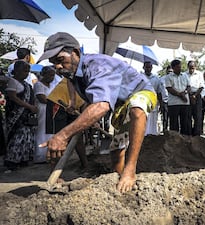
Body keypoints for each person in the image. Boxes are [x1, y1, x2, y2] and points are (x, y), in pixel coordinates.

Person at [37, 32, 156, 193]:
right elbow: (93, 98)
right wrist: (88, 116)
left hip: (141, 92)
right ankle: (118, 179)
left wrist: (63, 135)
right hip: (120, 105)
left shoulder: (98, 65)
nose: (57, 67)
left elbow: (102, 106)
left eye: (60, 60)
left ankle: (130, 170)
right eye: (53, 63)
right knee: (116, 149)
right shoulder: (73, 72)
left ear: (76, 53)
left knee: (137, 108)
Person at [4, 61, 38, 171]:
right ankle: (12, 160)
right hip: (15, 116)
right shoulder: (12, 82)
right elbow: (13, 97)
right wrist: (29, 106)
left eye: (28, 71)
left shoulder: (26, 85)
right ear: (17, 70)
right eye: (25, 71)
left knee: (26, 137)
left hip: (26, 115)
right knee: (16, 138)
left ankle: (23, 158)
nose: (27, 73)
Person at [33, 66, 56, 163]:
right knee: (42, 131)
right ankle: (40, 156)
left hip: (51, 110)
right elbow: (42, 98)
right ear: (44, 75)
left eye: (53, 75)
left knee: (49, 132)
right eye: (50, 75)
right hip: (42, 110)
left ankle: (48, 154)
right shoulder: (39, 84)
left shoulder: (52, 85)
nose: (52, 77)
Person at [164, 59, 191, 135]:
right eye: (177, 67)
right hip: (173, 103)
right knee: (174, 123)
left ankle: (185, 139)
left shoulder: (185, 75)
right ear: (173, 68)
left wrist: (184, 93)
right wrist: (181, 95)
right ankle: (175, 140)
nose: (179, 69)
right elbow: (169, 89)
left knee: (185, 123)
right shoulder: (168, 77)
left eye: (180, 67)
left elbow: (189, 87)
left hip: (185, 103)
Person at [142, 61, 165, 135]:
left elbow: (159, 92)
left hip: (153, 103)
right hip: (142, 103)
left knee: (153, 121)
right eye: (146, 67)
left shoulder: (156, 79)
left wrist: (161, 104)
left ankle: (152, 136)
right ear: (143, 67)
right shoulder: (140, 77)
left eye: (149, 67)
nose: (148, 69)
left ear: (152, 68)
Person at [184, 60, 204, 136]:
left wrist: (195, 96)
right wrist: (190, 95)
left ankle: (196, 134)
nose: (191, 69)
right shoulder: (184, 74)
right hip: (188, 95)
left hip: (197, 95)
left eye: (193, 67)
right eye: (190, 68)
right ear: (187, 67)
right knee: (188, 116)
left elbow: (201, 86)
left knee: (198, 116)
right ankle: (188, 133)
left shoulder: (199, 74)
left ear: (195, 67)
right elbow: (185, 86)